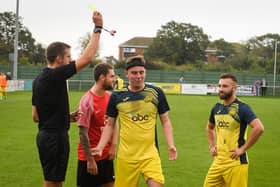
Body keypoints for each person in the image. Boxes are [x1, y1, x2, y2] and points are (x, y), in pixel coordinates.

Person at [31, 11, 103, 187]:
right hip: (55, 138)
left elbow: (36, 116)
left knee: (54, 180)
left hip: (47, 135)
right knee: (53, 182)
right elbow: (87, 58)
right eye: (69, 57)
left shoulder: (38, 79)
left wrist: (64, 117)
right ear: (58, 59)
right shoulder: (55, 75)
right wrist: (98, 27)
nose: (71, 60)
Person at [92, 55, 177, 187]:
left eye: (141, 72)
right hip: (126, 157)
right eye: (134, 73)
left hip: (149, 154)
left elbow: (165, 121)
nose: (138, 76)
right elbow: (110, 124)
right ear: (127, 74)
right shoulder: (117, 96)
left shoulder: (156, 92)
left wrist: (171, 145)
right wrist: (100, 146)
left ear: (145, 72)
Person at [203, 73, 264, 187]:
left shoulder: (242, 108)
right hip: (218, 162)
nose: (221, 89)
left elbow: (259, 128)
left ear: (234, 88)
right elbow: (209, 128)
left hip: (236, 163)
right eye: (219, 86)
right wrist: (211, 146)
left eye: (225, 86)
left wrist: (243, 149)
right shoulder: (216, 108)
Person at [77, 63, 118, 187]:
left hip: (106, 155)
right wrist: (90, 160)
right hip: (90, 157)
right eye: (111, 76)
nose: (114, 79)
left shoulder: (110, 97)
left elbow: (115, 123)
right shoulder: (87, 101)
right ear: (102, 77)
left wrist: (113, 146)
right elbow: (82, 133)